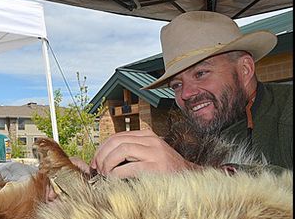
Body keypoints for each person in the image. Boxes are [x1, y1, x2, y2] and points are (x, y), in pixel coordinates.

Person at [90, 11, 292, 178]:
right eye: (176, 85)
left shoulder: (287, 110)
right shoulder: (191, 135)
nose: (186, 94)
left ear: (245, 69)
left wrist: (191, 173)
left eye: (201, 73)